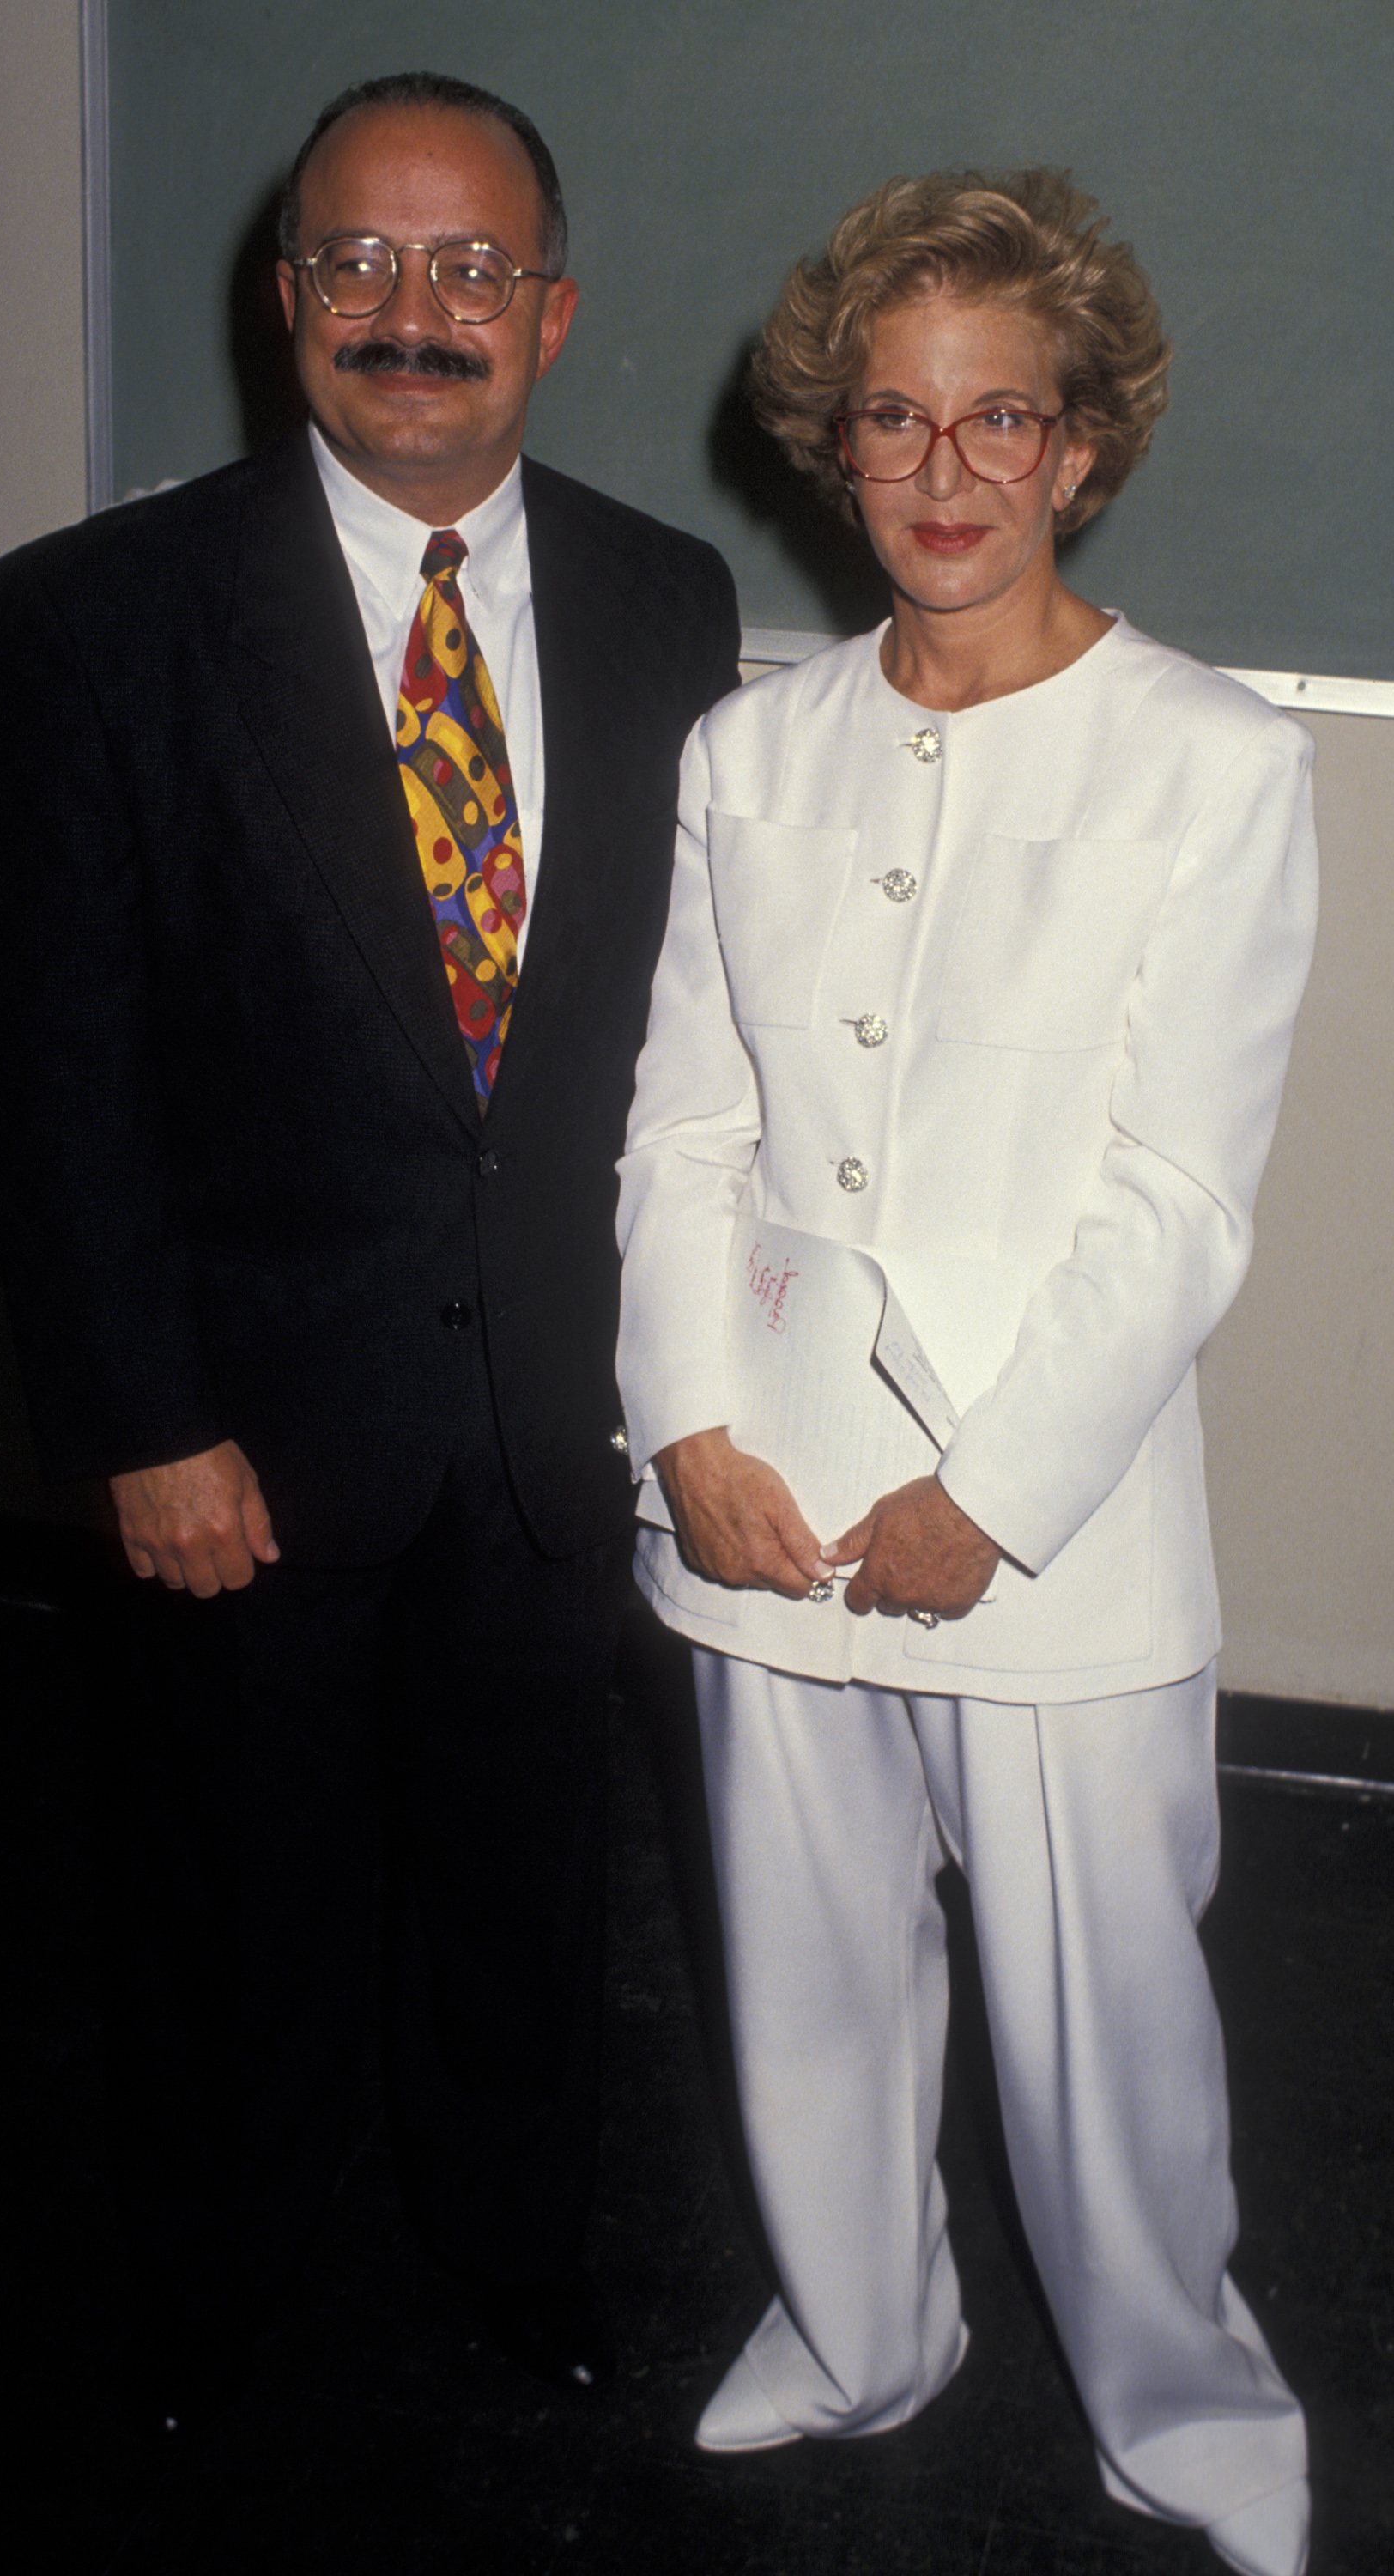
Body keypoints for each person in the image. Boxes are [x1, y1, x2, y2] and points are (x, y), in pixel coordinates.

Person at [0, 70, 739, 2411]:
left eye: (470, 269)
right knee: (235, 1898)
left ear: (558, 312)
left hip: (542, 1412)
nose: (415, 315)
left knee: (525, 1885)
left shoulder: (664, 596)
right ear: (285, 298)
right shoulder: (93, 616)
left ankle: (516, 2254)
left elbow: (685, 1035)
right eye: (360, 266)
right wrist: (144, 1424)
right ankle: (229, 2272)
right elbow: (58, 1074)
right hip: (247, 1433)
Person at [615, 169, 1314, 2576]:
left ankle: (1189, 2410)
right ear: (831, 440)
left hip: (1057, 1515)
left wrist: (993, 1490)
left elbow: (1181, 1199)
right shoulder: (750, 755)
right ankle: (857, 2329)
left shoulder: (1211, 764)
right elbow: (689, 1120)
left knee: (1107, 2019)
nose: (942, 469)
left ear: (1084, 445)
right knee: (804, 1975)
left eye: (998, 416)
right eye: (892, 417)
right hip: (762, 1500)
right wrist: (687, 1427)